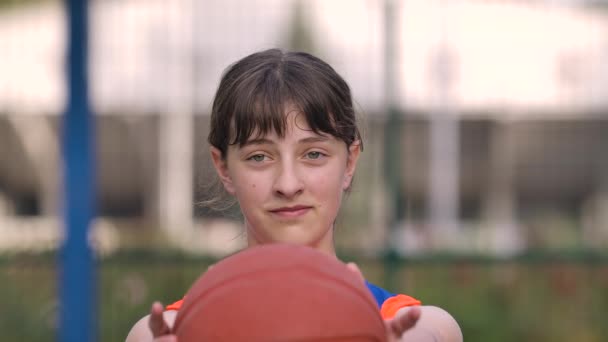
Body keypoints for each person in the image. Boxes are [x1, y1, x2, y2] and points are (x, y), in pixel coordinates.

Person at [126, 49, 462, 342]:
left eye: (313, 154)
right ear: (224, 167)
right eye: (259, 156)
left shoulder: (414, 324)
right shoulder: (172, 331)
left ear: (350, 162)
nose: (288, 184)